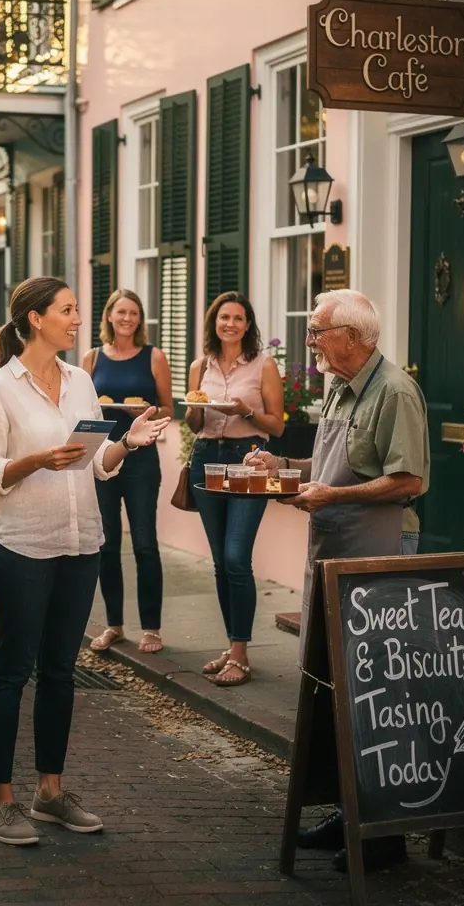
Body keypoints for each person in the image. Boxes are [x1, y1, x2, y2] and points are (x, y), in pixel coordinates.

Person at [0, 276, 169, 847]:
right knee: (12, 669)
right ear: (35, 319)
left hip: (81, 544)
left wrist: (127, 443)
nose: (78, 318)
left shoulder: (81, 381)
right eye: (68, 310)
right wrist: (33, 460)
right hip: (20, 546)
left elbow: (94, 464)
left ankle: (50, 792)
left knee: (59, 672)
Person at [246, 289, 429, 874]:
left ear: (354, 337)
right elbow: (327, 468)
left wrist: (333, 495)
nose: (311, 341)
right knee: (331, 690)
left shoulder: (395, 391)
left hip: (376, 558)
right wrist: (285, 468)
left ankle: (380, 837)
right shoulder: (338, 387)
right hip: (331, 554)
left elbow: (409, 481)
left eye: (319, 331)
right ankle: (347, 814)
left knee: (374, 695)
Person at [186, 292, 284, 687]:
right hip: (207, 455)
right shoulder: (199, 366)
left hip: (249, 459)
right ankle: (232, 645)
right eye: (223, 317)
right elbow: (194, 424)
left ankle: (241, 654)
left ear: (248, 325)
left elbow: (276, 426)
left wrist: (245, 411)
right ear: (214, 322)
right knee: (219, 562)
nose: (230, 324)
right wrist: (194, 408)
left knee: (236, 557)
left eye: (238, 318)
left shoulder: (264, 365)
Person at [83, 289, 173, 655]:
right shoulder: (91, 359)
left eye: (134, 312)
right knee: (107, 545)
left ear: (140, 319)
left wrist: (148, 414)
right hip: (103, 457)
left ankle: (151, 627)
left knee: (145, 544)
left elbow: (168, 407)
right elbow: (85, 409)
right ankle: (114, 624)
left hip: (141, 461)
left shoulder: (154, 357)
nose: (127, 318)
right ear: (108, 315)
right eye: (121, 311)